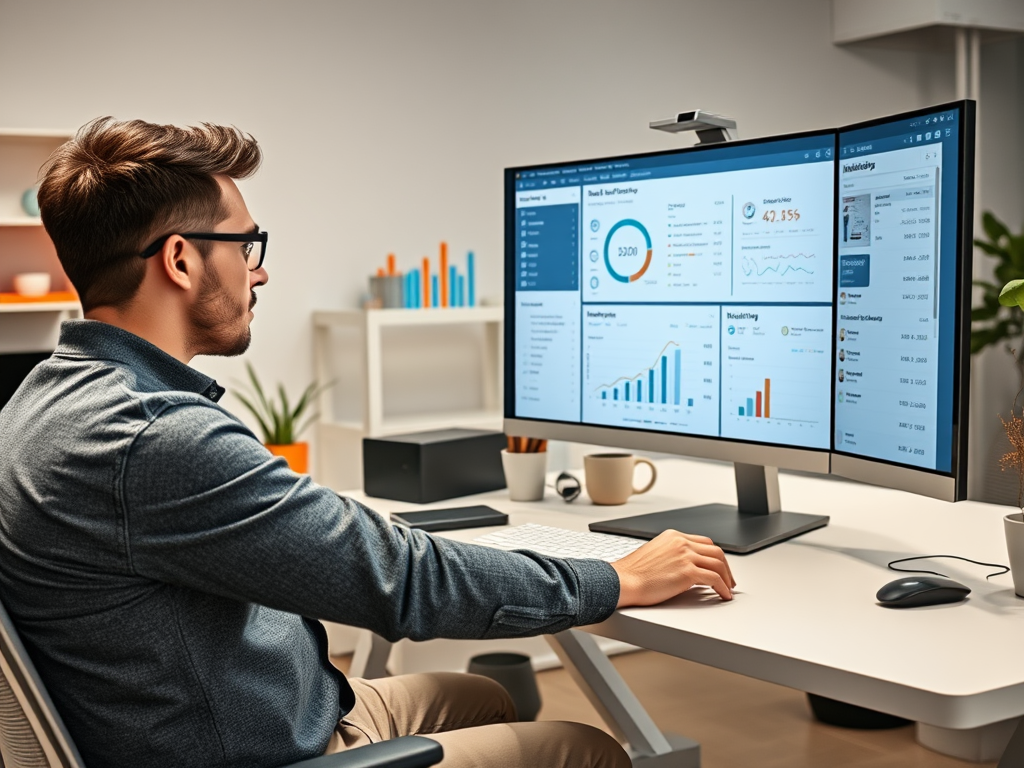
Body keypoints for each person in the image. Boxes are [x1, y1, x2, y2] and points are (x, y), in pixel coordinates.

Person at [0, 118, 735, 768]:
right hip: (257, 748)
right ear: (182, 260)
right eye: (246, 244)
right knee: (587, 750)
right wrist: (616, 578)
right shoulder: (155, 438)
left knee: (481, 695)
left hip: (240, 714)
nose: (259, 270)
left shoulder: (41, 398)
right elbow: (405, 581)